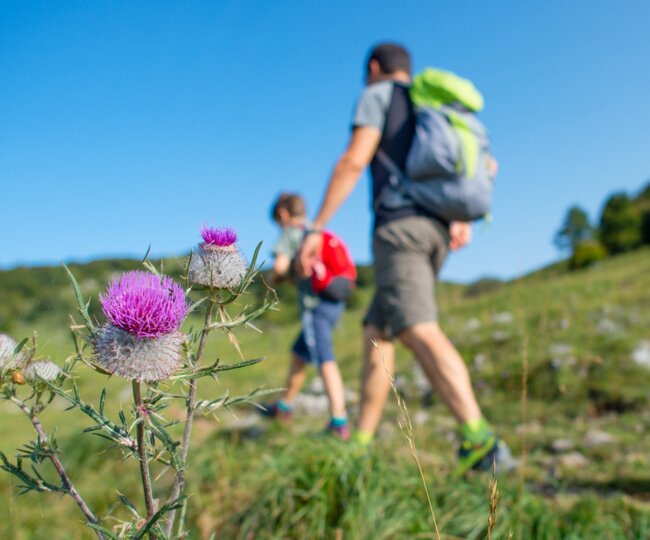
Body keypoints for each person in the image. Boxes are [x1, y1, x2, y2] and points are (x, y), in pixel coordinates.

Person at [297, 43, 512, 473]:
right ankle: (360, 441)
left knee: (417, 328)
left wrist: (316, 227)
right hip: (435, 232)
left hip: (400, 232)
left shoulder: (379, 95)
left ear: (374, 68)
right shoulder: (431, 108)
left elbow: (355, 159)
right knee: (379, 332)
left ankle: (482, 443)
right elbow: (485, 167)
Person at [262, 193, 350, 440]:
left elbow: (279, 268)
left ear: (283, 214)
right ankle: (284, 407)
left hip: (315, 306)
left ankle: (339, 422)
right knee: (299, 354)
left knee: (324, 357)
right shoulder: (315, 231)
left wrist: (273, 279)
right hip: (334, 302)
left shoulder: (291, 233)